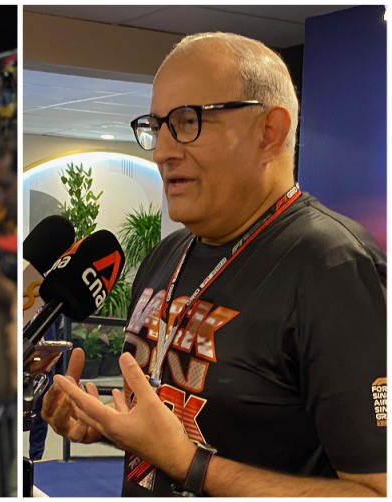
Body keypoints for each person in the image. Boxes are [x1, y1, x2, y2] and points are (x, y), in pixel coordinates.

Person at [41, 32, 386, 497]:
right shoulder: (169, 253)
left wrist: (190, 466)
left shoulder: (334, 264)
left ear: (270, 132)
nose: (163, 150)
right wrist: (112, 426)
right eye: (157, 125)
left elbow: (374, 491)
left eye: (187, 121)